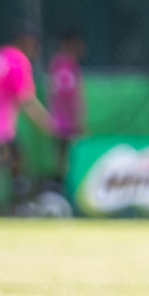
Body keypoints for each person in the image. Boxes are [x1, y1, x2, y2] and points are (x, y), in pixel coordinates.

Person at [0, 30, 54, 217]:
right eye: (33, 46)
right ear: (24, 41)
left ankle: (18, 205)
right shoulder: (17, 60)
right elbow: (26, 98)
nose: (34, 51)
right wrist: (45, 122)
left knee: (15, 159)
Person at [47, 30, 87, 182]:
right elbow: (76, 94)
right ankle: (62, 182)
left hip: (62, 117)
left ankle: (62, 181)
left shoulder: (57, 64)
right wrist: (80, 118)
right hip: (65, 118)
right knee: (66, 153)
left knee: (64, 153)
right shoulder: (66, 65)